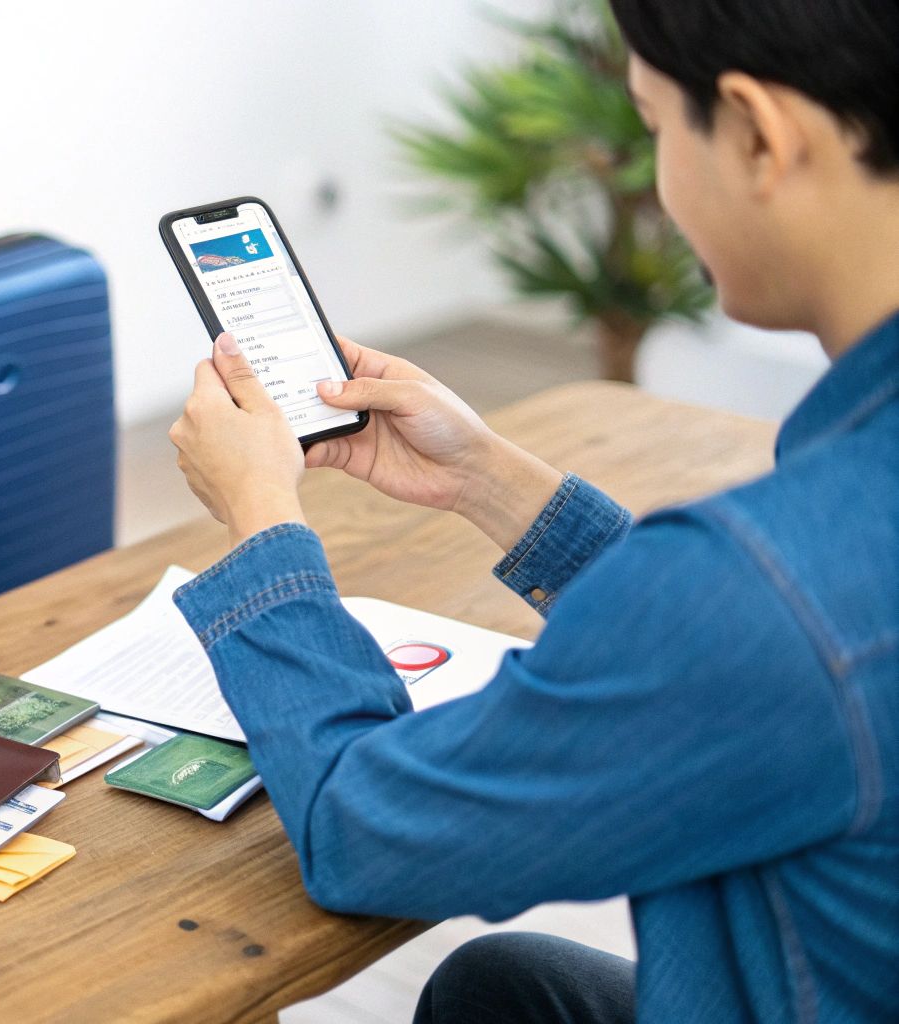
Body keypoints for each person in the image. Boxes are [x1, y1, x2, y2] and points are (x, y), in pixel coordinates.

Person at [166, 1, 899, 1021]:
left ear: (754, 134)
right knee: (504, 989)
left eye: (650, 126)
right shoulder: (805, 557)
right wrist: (483, 475)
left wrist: (259, 521)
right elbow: (742, 661)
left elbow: (363, 831)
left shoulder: (765, 593)